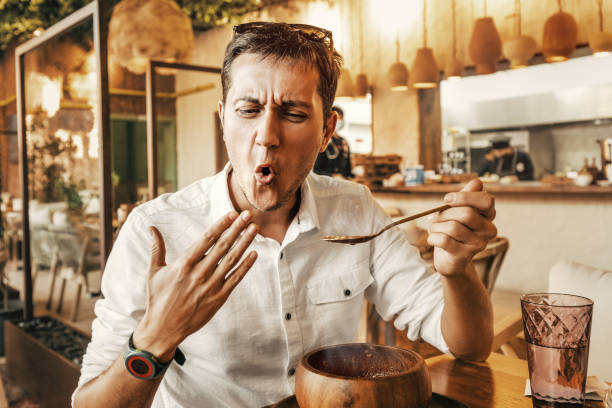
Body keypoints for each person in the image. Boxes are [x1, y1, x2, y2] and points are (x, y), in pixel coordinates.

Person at [73, 22, 496, 407]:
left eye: (293, 114)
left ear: (327, 131)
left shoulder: (355, 209)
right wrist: (153, 340)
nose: (267, 137)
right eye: (248, 110)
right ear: (223, 119)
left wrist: (457, 271)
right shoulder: (157, 230)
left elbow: (470, 347)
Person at [312, 105, 353, 178]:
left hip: (341, 184)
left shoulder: (344, 142)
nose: (340, 121)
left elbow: (348, 170)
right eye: (338, 119)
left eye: (341, 119)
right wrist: (332, 176)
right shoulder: (323, 140)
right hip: (325, 184)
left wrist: (353, 174)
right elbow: (316, 170)